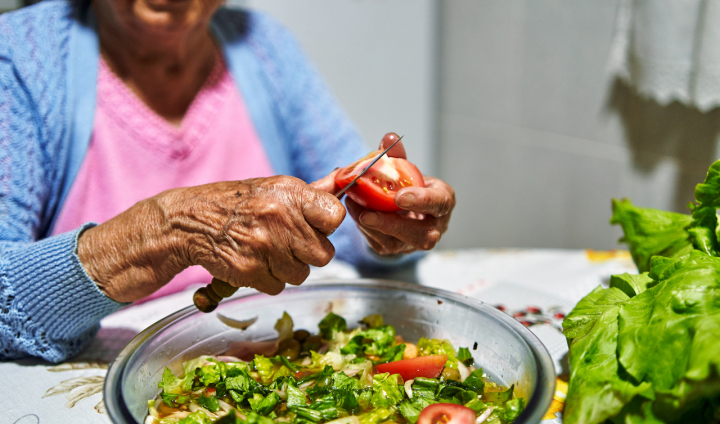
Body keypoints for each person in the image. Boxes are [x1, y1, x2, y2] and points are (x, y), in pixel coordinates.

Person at [0, 0, 456, 362]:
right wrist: (167, 229)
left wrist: (389, 219)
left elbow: (353, 226)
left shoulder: (264, 46)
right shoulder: (19, 57)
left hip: (251, 356)